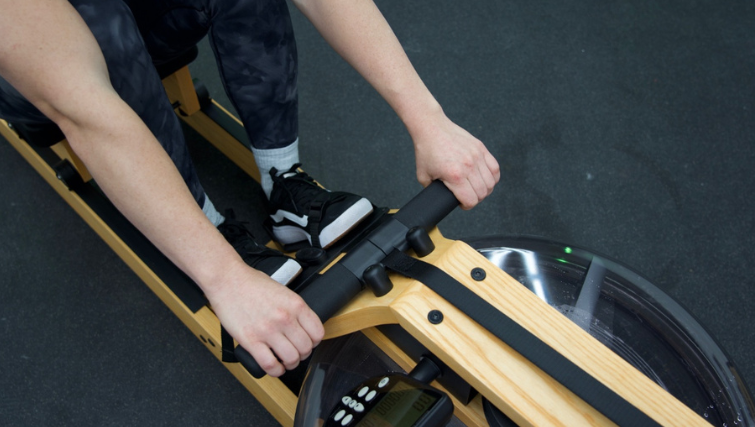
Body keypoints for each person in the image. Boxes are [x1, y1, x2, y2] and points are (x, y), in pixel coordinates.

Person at [0, 0, 500, 377]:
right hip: (52, 75)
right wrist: (224, 279)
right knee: (105, 26)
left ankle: (286, 185)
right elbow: (87, 111)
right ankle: (210, 230)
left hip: (152, 24)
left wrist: (428, 121)